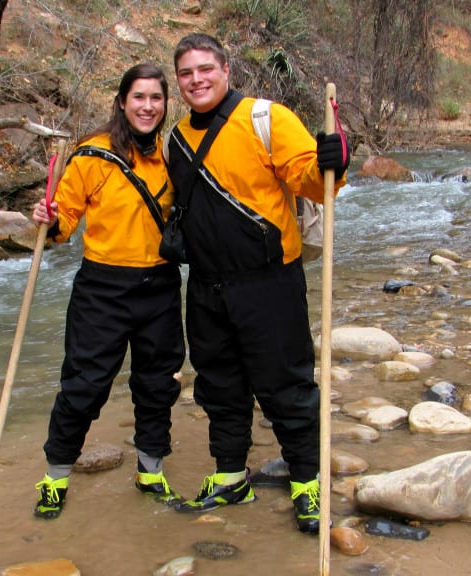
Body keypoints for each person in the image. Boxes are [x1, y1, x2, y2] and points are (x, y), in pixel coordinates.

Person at [164, 33, 349, 534]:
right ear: (178, 81)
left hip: (269, 283)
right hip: (205, 288)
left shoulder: (265, 119)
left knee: (286, 387)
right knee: (219, 387)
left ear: (226, 70)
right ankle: (230, 478)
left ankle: (307, 485)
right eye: (186, 73)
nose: (197, 79)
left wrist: (334, 159)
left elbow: (313, 181)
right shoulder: (176, 139)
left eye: (205, 69)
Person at [30, 63, 186, 520]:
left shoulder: (172, 156)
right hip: (102, 288)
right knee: (84, 385)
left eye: (156, 98)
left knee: (158, 383)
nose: (147, 106)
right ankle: (56, 476)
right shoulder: (91, 155)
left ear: (164, 104)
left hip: (159, 285)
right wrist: (47, 219)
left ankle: (151, 470)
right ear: (122, 102)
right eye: (138, 97)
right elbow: (63, 225)